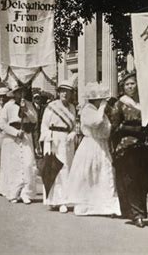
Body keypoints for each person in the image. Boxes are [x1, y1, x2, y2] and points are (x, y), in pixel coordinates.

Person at [109, 72, 148, 228]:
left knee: (146, 181)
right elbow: (114, 128)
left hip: (146, 146)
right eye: (127, 84)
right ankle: (137, 214)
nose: (130, 87)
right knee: (132, 180)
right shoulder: (120, 104)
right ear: (123, 87)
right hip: (128, 147)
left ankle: (139, 210)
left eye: (132, 83)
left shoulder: (147, 103)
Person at [65, 82, 121, 216]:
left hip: (101, 144)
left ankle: (106, 206)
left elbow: (107, 128)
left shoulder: (99, 112)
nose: (103, 103)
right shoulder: (87, 111)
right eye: (101, 100)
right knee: (88, 173)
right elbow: (95, 123)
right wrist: (102, 107)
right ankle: (85, 205)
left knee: (103, 173)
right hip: (90, 144)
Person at [39, 80, 77, 213]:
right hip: (53, 139)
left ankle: (63, 201)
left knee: (65, 169)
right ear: (58, 92)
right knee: (52, 168)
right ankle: (52, 200)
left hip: (66, 141)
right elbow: (44, 124)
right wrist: (47, 136)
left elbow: (74, 126)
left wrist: (73, 133)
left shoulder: (72, 108)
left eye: (68, 91)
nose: (65, 94)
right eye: (62, 91)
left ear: (72, 93)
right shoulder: (51, 106)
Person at [0, 85, 38, 203]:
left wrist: (26, 110)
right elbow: (2, 123)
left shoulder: (29, 104)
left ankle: (26, 193)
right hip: (13, 138)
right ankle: (14, 193)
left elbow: (34, 119)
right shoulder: (8, 106)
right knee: (14, 165)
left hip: (26, 136)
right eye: (18, 92)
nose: (20, 95)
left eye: (22, 92)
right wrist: (15, 132)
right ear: (14, 94)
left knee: (28, 163)